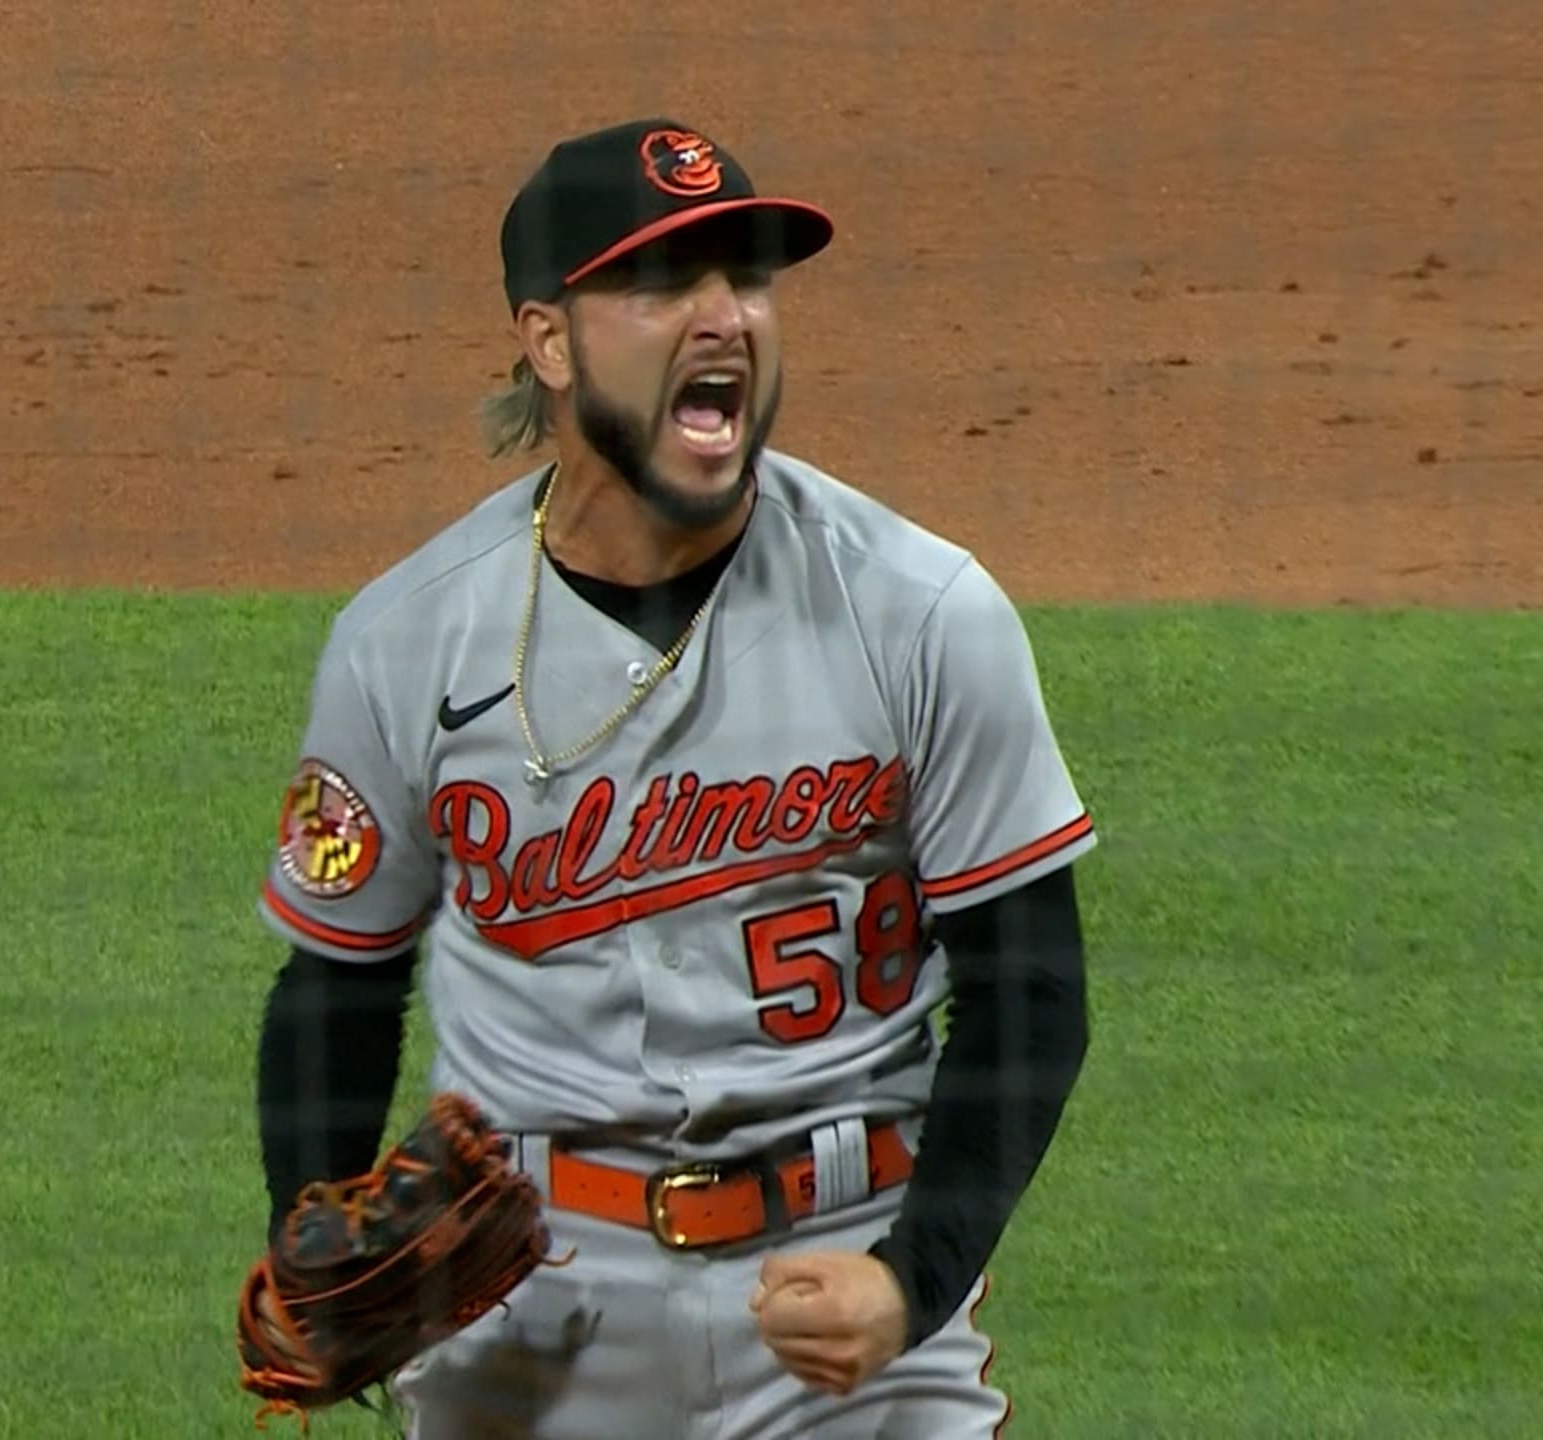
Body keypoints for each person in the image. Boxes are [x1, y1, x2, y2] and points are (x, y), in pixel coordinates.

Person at [253, 116, 1096, 1438]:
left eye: (746, 279)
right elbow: (338, 983)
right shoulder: (406, 639)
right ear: (549, 340)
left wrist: (910, 1283)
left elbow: (1031, 991)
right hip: (528, 1317)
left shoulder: (921, 611)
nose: (725, 317)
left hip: (843, 1279)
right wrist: (309, 1234)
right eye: (660, 283)